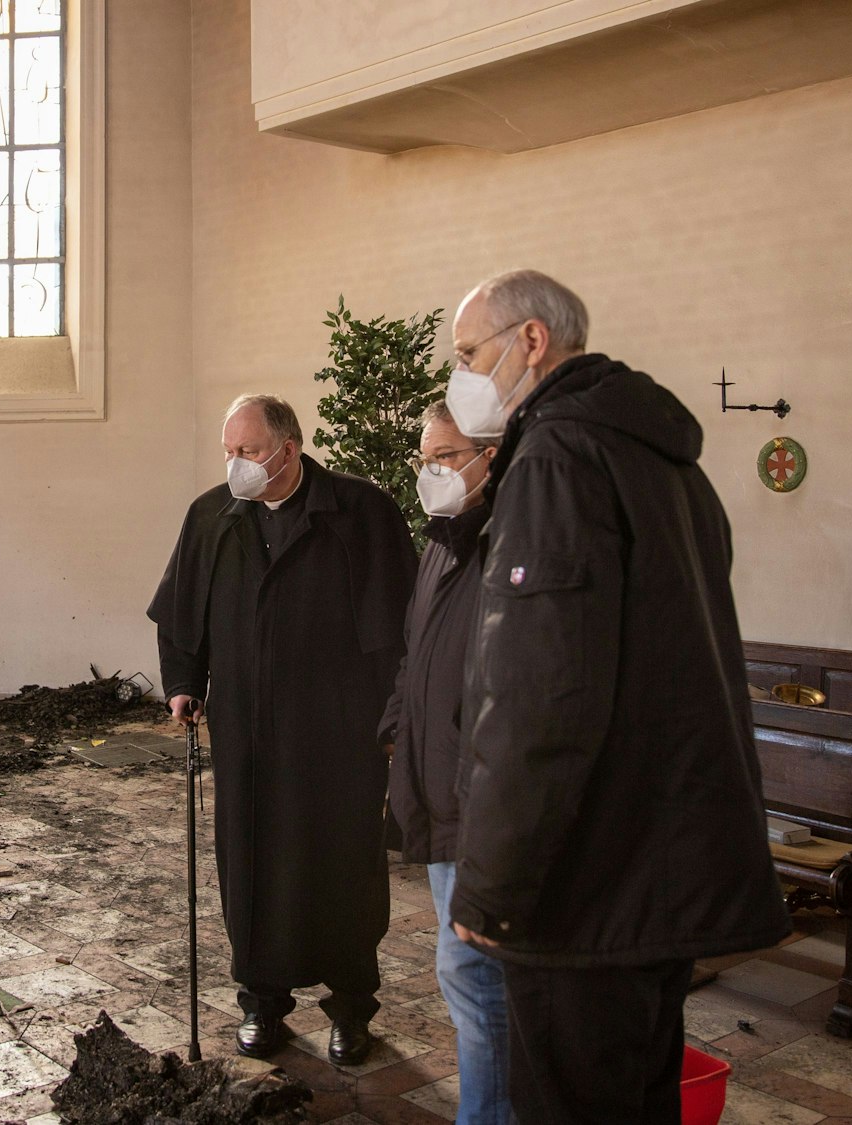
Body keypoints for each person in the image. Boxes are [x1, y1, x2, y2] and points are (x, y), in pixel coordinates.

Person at [444, 270, 790, 1124]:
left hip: (584, 885)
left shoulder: (556, 456)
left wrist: (491, 886)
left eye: (470, 353)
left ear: (532, 341)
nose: (462, 375)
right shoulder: (662, 458)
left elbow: (540, 696)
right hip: (657, 864)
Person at [148, 393, 416, 1065]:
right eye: (229, 451)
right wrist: (183, 682)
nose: (234, 463)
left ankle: (351, 1006)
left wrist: (394, 717)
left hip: (340, 734)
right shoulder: (211, 515)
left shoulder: (362, 511)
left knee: (344, 864)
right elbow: (181, 615)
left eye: (247, 450)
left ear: (288, 449)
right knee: (251, 863)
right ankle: (261, 1001)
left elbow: (400, 628)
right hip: (247, 732)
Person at [378, 401, 511, 1124]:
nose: (431, 472)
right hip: (435, 789)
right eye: (424, 459)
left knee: (474, 979)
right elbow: (416, 651)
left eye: (446, 457)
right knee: (469, 979)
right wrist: (397, 731)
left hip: (479, 802)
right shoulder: (439, 543)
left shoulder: (508, 544)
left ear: (491, 456)